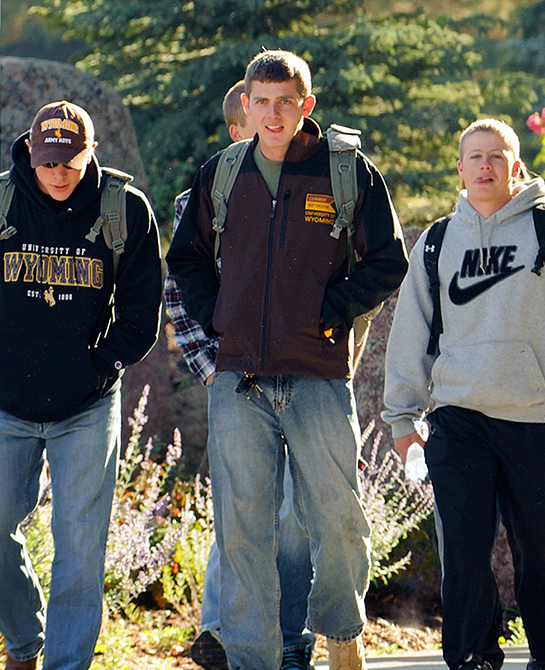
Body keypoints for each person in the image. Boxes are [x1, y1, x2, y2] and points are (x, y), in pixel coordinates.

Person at [166, 50, 407, 670]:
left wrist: (333, 311)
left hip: (319, 377)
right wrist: (223, 319)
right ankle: (254, 659)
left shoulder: (347, 172)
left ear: (307, 104)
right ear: (246, 105)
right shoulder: (220, 174)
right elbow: (186, 259)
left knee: (338, 521)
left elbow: (388, 260)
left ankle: (340, 628)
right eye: (262, 102)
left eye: (286, 101)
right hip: (239, 380)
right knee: (243, 532)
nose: (273, 115)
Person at [0, 100, 163, 670]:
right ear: (30, 152)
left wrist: (99, 367)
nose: (60, 175)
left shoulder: (124, 209)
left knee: (80, 555)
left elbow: (142, 313)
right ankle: (23, 642)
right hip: (4, 401)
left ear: (91, 154)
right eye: (49, 163)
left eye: (73, 162)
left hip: (87, 406)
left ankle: (65, 664)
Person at [385, 119, 545, 670]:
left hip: (534, 418)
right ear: (461, 168)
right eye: (475, 156)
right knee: (465, 553)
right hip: (459, 416)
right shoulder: (438, 242)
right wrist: (402, 419)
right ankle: (473, 654)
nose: (486, 165)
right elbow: (411, 333)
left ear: (515, 165)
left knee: (539, 550)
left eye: (497, 155)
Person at [172, 81, 321, 670]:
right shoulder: (203, 199)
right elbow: (180, 295)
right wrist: (214, 369)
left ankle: (290, 637)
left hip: (305, 381)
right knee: (243, 515)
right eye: (253, 119)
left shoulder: (316, 187)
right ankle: (228, 634)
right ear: (237, 131)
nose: (268, 128)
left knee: (295, 519)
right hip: (236, 381)